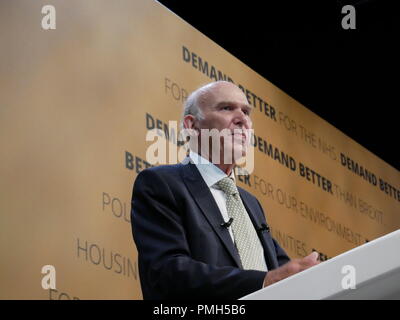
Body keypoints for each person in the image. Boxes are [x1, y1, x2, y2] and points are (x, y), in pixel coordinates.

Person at [130, 81, 320, 300]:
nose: (242, 119)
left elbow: (282, 272)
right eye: (226, 108)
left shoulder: (250, 203)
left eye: (246, 111)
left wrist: (316, 276)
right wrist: (262, 282)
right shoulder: (161, 184)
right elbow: (167, 272)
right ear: (192, 126)